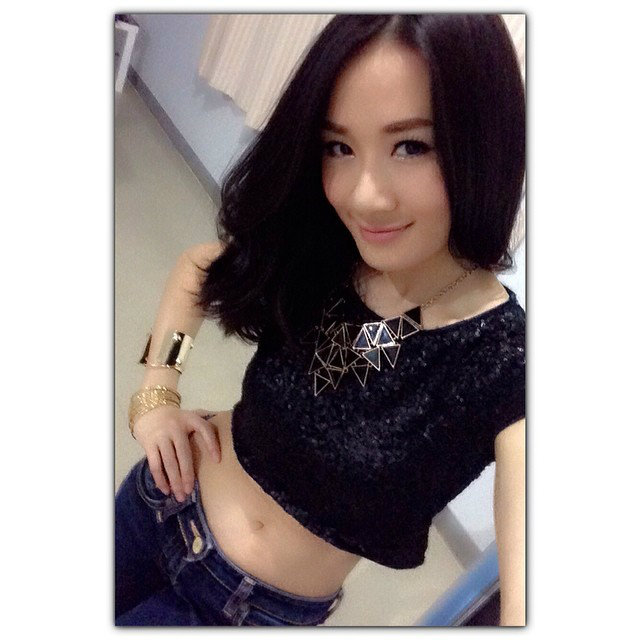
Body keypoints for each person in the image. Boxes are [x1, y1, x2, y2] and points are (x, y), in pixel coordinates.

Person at [115, 14, 526, 626]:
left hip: (242, 611)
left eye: (411, 146)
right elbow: (199, 269)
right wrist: (157, 390)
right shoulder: (330, 247)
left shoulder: (507, 365)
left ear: (484, 144)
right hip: (155, 505)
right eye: (339, 147)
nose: (364, 196)